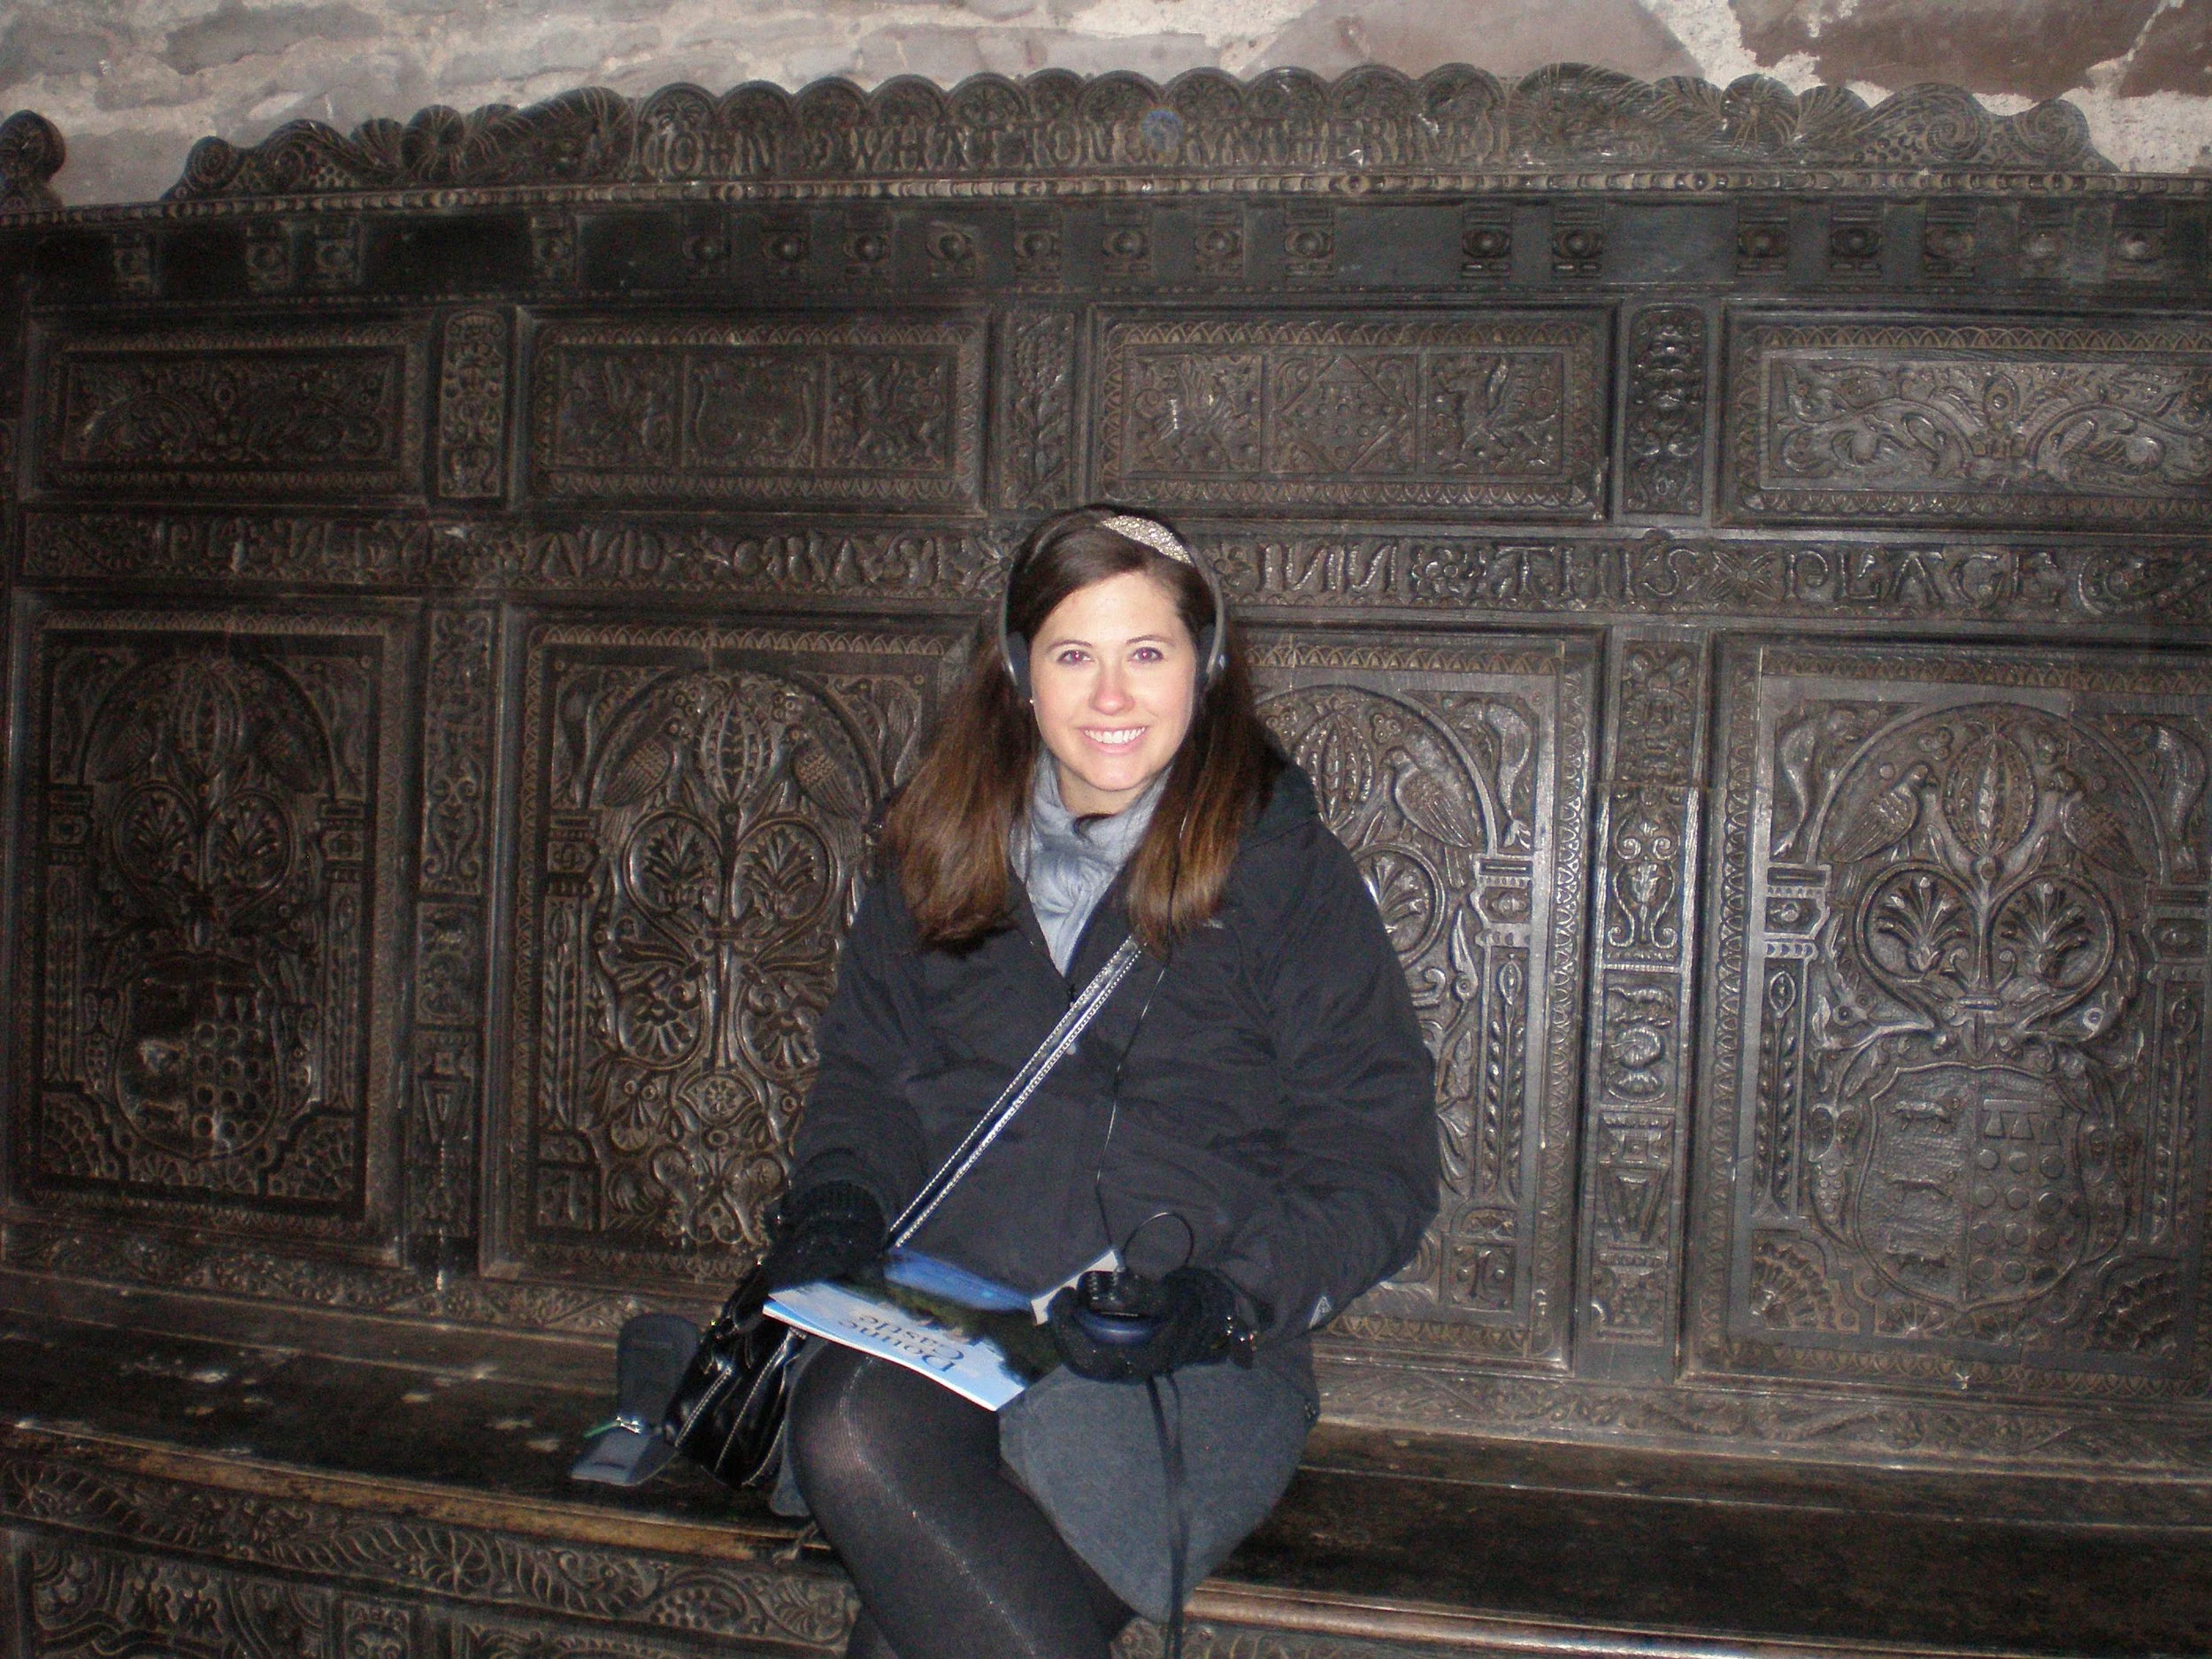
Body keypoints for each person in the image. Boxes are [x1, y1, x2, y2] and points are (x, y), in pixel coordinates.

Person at [764, 506, 1438, 1659]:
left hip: (1163, 1349)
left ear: (1206, 668)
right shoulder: (936, 846)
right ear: (1022, 674)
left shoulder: (1284, 869)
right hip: (956, 1314)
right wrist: (836, 1198)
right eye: (1074, 654)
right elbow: (867, 1082)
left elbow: (1379, 1162)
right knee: (850, 1416)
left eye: (1148, 653)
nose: (1111, 696)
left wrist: (1224, 1298)